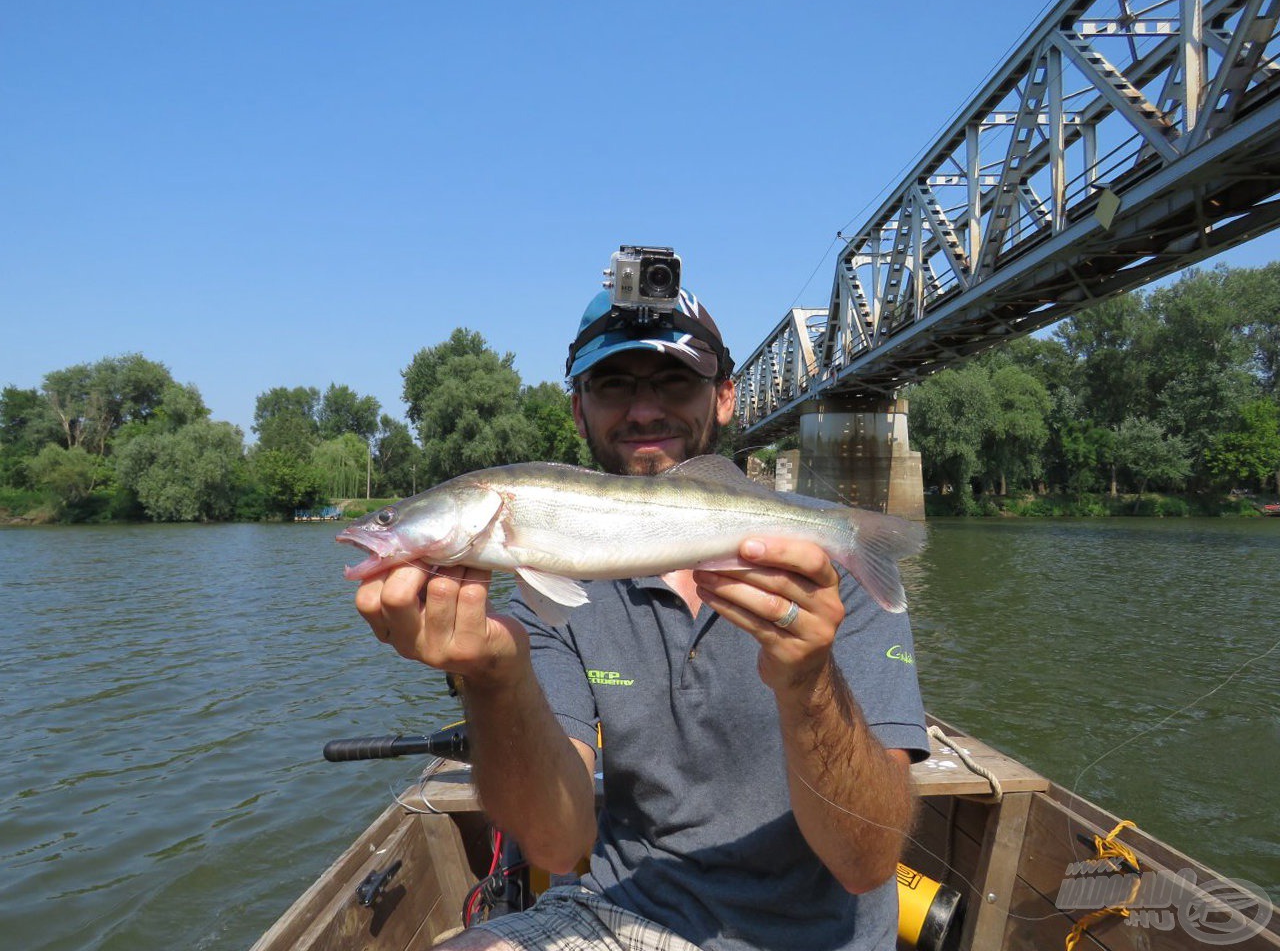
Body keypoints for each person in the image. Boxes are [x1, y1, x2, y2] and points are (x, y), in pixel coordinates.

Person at [355, 280, 930, 951]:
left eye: (673, 382)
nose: (645, 409)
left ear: (724, 397)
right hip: (624, 918)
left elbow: (865, 865)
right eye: (614, 386)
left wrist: (807, 681)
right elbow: (554, 842)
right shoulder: (553, 586)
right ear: (578, 410)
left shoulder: (824, 570)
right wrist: (492, 674)